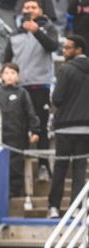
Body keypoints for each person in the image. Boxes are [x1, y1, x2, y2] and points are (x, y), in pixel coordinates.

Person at [4, 0, 59, 182]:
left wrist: (36, 31)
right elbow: (7, 59)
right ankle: (18, 169)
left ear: (40, 10)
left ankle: (43, 166)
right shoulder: (14, 33)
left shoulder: (48, 28)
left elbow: (53, 46)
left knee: (41, 127)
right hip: (19, 89)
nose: (29, 10)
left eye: (33, 7)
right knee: (19, 128)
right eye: (26, 7)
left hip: (40, 85)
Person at [47, 35, 89, 218]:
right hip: (86, 128)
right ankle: (76, 209)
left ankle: (54, 207)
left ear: (79, 49)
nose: (64, 51)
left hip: (65, 127)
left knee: (61, 168)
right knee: (80, 170)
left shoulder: (65, 69)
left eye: (68, 48)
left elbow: (56, 98)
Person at [0, 62, 40, 198]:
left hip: (18, 137)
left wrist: (35, 131)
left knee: (16, 166)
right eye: (7, 73)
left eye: (13, 73)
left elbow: (30, 113)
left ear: (18, 76)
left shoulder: (22, 93)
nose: (10, 76)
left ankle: (14, 193)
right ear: (2, 76)